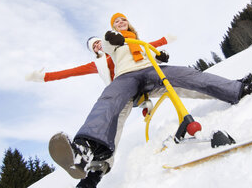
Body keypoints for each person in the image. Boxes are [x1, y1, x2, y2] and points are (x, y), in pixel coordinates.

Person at [65, 13, 252, 187]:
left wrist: (161, 55)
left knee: (188, 76)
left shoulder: (137, 40)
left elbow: (152, 51)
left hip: (150, 71)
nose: (120, 22)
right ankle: (88, 154)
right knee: (110, 103)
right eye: (115, 21)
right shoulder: (111, 42)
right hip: (125, 79)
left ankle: (238, 89)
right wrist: (111, 40)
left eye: (122, 19)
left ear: (128, 23)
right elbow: (108, 44)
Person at [25, 35, 174, 188]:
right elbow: (71, 71)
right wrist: (44, 77)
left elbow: (144, 45)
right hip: (122, 96)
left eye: (98, 42)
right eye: (94, 46)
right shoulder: (98, 64)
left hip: (144, 81)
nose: (97, 46)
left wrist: (165, 39)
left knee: (173, 84)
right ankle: (92, 177)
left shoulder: (121, 49)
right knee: (111, 129)